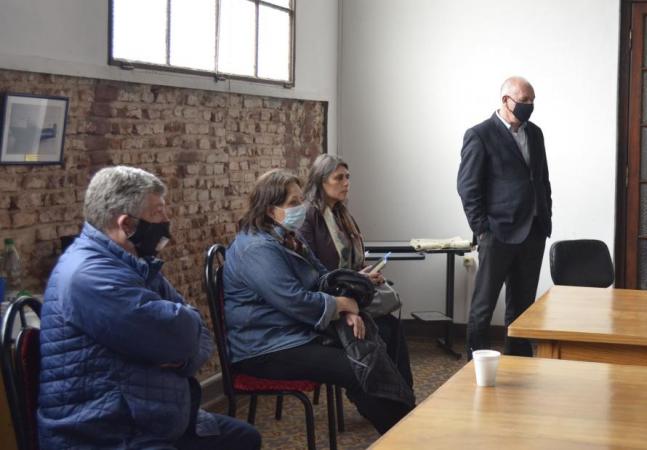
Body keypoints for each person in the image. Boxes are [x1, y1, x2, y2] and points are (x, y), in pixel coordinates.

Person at [37, 166, 261, 450]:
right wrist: (179, 346)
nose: (167, 220)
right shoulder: (90, 276)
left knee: (244, 438)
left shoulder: (133, 261)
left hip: (148, 413)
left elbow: (198, 333)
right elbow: (181, 337)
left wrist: (179, 354)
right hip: (105, 431)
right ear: (126, 224)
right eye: (158, 213)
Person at [223, 169, 411, 434]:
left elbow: (323, 275)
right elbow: (295, 300)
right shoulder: (256, 249)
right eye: (292, 203)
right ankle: (401, 433)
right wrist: (343, 306)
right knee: (358, 366)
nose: (301, 207)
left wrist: (347, 308)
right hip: (266, 347)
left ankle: (405, 418)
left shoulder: (288, 237)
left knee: (380, 332)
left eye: (301, 200)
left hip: (295, 331)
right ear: (268, 209)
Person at [457, 76, 552, 358]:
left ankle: (518, 364)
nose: (529, 106)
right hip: (497, 234)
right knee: (483, 306)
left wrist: (546, 216)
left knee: (522, 308)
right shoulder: (479, 134)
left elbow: (542, 180)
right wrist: (483, 230)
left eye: (533, 101)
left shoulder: (535, 134)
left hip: (533, 232)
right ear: (505, 100)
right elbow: (467, 187)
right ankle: (475, 366)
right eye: (524, 101)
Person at [299, 153, 413, 386]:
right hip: (328, 300)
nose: (346, 183)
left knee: (392, 327)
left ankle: (402, 395)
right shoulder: (309, 217)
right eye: (338, 178)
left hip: (351, 292)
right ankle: (389, 397)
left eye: (347, 177)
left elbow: (352, 260)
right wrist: (355, 278)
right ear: (321, 181)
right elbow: (312, 269)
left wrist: (366, 272)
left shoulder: (341, 213)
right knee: (382, 330)